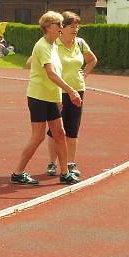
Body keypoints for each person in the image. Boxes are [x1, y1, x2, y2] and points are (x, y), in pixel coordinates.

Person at [10, 11, 81, 186]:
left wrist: (58, 97)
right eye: (59, 25)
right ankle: (17, 173)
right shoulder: (42, 46)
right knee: (38, 136)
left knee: (60, 133)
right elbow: (50, 74)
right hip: (38, 97)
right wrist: (71, 91)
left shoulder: (53, 46)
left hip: (50, 97)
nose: (61, 28)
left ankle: (64, 173)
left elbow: (55, 73)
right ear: (49, 27)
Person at [45, 11, 98, 177]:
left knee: (72, 128)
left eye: (77, 26)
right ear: (62, 28)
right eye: (71, 26)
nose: (75, 29)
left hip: (77, 91)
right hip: (58, 91)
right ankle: (52, 163)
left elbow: (92, 60)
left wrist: (84, 74)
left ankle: (70, 162)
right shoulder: (54, 45)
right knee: (56, 129)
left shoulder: (80, 43)